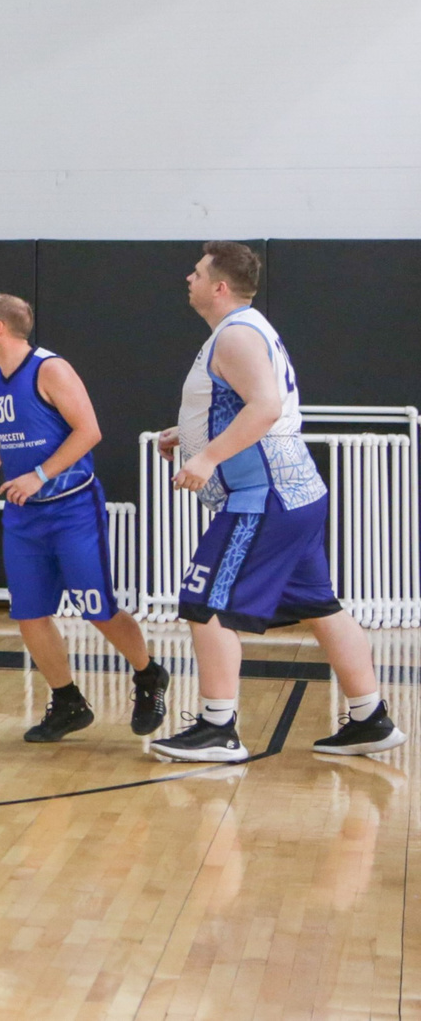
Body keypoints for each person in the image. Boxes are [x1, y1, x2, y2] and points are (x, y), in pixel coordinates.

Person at [148, 243, 404, 762]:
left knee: (205, 601)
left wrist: (206, 459)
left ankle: (218, 729)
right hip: (295, 492)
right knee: (319, 604)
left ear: (220, 287)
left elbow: (265, 407)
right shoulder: (245, 329)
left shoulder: (237, 335)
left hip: (264, 495)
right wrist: (190, 435)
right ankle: (369, 717)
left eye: (197, 273)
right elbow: (248, 403)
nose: (188, 278)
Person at [0, 293, 168, 742]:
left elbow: (91, 431)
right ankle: (67, 700)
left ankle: (148, 675)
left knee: (96, 608)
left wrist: (39, 475)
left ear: (0, 328)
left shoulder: (50, 370)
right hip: (25, 518)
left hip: (72, 509)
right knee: (29, 612)